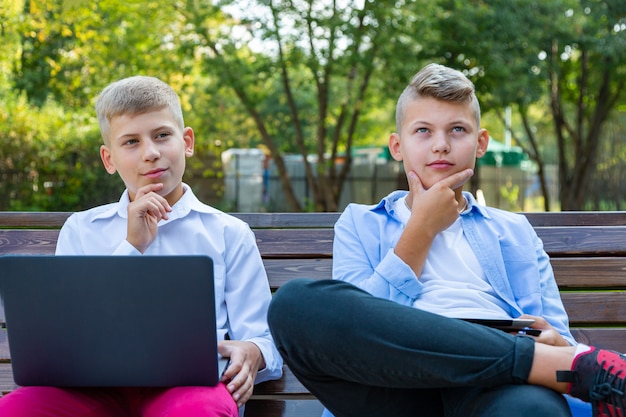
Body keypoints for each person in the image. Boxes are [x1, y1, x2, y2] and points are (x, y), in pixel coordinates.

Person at [267, 63, 626, 417]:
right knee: (294, 304)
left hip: (496, 387)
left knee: (533, 409)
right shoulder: (360, 223)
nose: (440, 145)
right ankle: (529, 361)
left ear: (480, 142)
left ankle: (526, 362)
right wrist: (420, 229)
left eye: (457, 130)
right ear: (397, 145)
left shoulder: (514, 230)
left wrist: (555, 341)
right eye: (423, 131)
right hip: (390, 383)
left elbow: (560, 340)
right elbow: (353, 328)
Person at [0, 75, 282, 417]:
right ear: (109, 159)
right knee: (16, 409)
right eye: (131, 142)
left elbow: (263, 338)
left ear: (187, 141)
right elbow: (74, 333)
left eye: (162, 135)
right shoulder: (82, 229)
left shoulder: (228, 232)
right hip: (91, 390)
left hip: (189, 391)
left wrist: (252, 351)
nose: (151, 153)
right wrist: (132, 245)